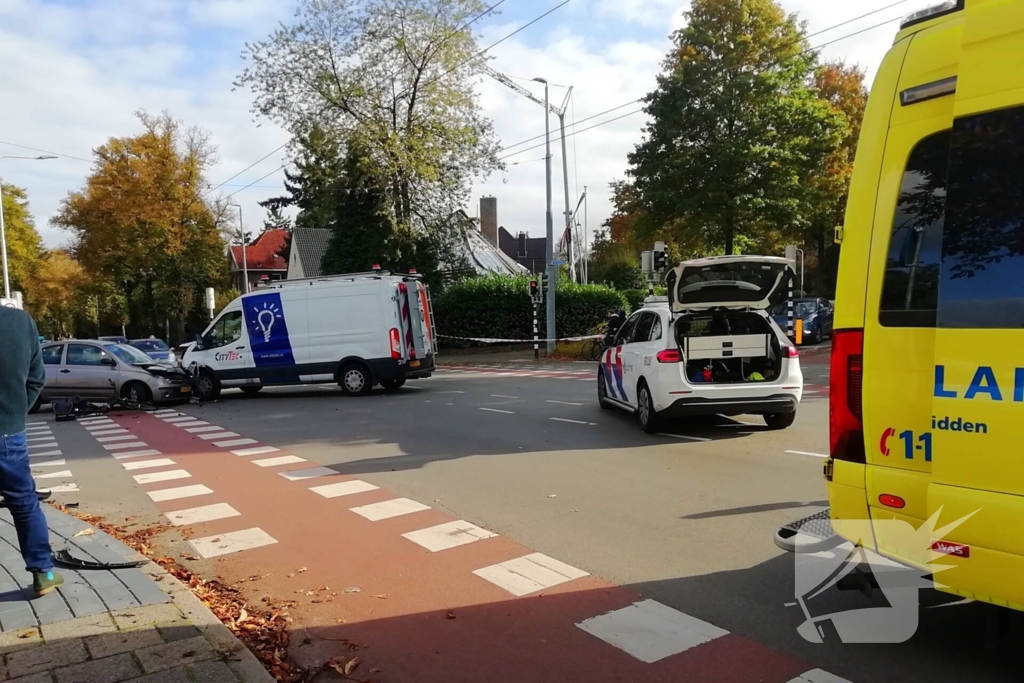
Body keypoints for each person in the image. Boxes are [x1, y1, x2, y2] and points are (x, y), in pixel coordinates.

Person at [0, 306, 63, 597]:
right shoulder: (20, 322)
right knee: (24, 502)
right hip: (9, 433)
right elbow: (36, 379)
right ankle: (43, 573)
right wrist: (15, 415)